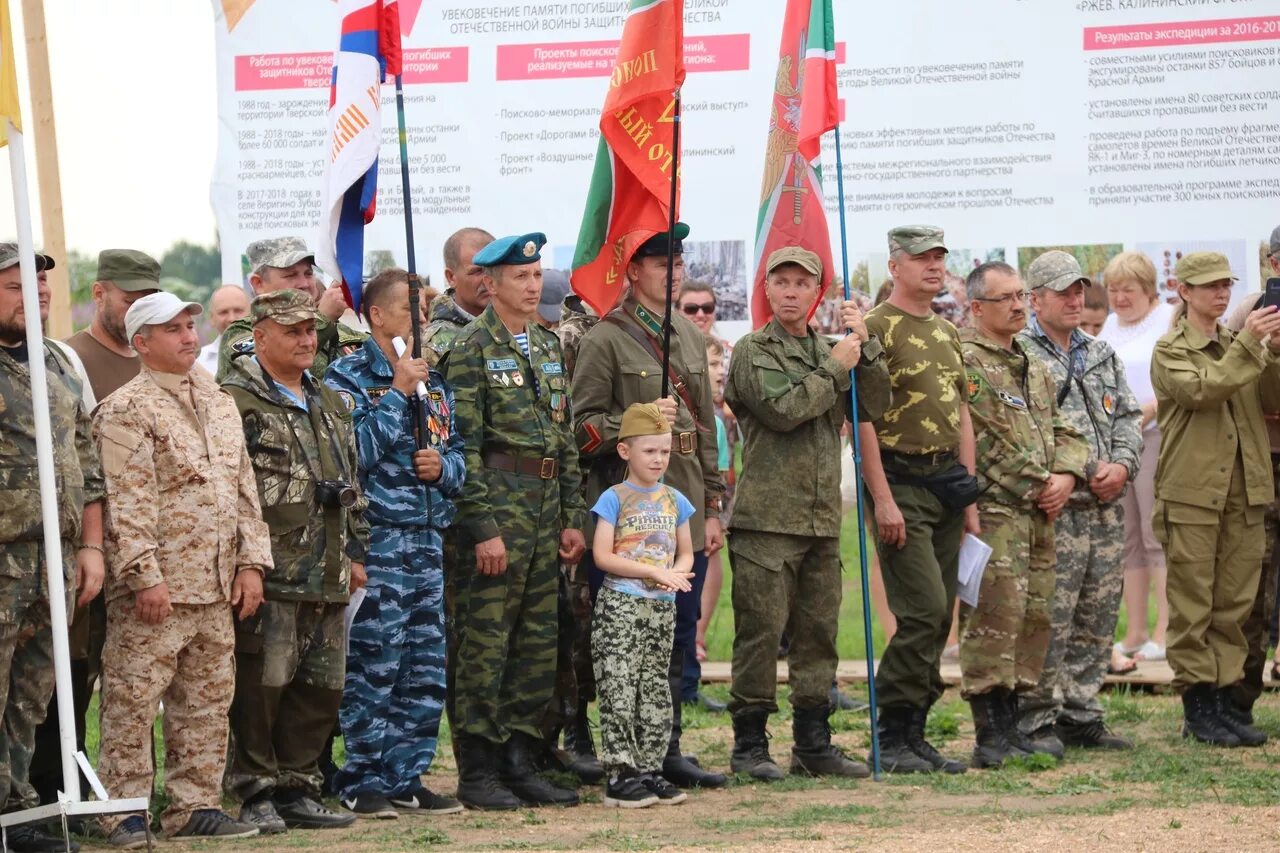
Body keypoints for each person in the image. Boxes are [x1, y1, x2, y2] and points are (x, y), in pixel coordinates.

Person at [93, 292, 270, 846]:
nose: (190, 336)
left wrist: (251, 563)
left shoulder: (216, 400)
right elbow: (125, 500)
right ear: (142, 343)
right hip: (160, 588)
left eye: (191, 325)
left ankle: (193, 806)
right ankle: (121, 810)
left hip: (216, 585)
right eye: (173, 329)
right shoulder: (127, 408)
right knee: (132, 701)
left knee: (206, 703)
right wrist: (144, 575)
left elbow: (244, 490)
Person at [571, 224, 729, 789]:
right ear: (633, 271)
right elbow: (582, 430)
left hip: (681, 502)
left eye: (679, 262)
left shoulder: (688, 334)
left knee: (678, 631)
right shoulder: (606, 338)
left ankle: (667, 747)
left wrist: (711, 504)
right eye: (662, 263)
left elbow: (706, 427)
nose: (675, 270)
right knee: (627, 639)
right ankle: (622, 753)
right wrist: (638, 421)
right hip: (630, 509)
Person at [723, 247, 890, 781]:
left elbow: (877, 404)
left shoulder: (831, 348)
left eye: (802, 283)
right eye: (783, 283)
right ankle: (750, 745)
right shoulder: (753, 350)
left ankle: (813, 742)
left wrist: (868, 344)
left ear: (817, 292)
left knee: (818, 636)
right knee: (760, 636)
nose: (792, 292)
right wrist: (836, 366)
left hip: (820, 520)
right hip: (768, 521)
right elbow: (784, 410)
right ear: (767, 291)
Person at [443, 233, 586, 809]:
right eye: (519, 277)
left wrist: (572, 516)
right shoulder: (470, 348)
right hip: (497, 515)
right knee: (485, 644)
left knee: (536, 644)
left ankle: (520, 759)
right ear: (490, 283)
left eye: (536, 277)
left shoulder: (548, 348)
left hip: (544, 513)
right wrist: (482, 528)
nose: (531, 286)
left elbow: (565, 438)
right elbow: (463, 448)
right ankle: (478, 769)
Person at [220, 289, 368, 832]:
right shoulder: (236, 400)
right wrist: (244, 561)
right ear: (260, 337)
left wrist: (356, 550)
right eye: (292, 331)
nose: (307, 339)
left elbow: (353, 482)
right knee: (262, 686)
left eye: (310, 329)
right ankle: (255, 789)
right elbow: (228, 492)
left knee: (320, 688)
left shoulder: (327, 399)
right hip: (273, 570)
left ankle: (298, 786)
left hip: (328, 566)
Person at [324, 268, 465, 817]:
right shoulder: (347, 378)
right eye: (410, 312)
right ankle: (361, 776)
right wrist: (396, 394)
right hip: (377, 541)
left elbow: (456, 456)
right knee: (374, 661)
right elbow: (346, 455)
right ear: (376, 317)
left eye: (425, 312)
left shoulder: (437, 381)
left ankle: (406, 774)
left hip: (427, 543)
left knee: (423, 664)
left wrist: (443, 469)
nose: (421, 321)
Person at [36, 249, 160, 821]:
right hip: (83, 547)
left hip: (146, 555)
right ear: (100, 293)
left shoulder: (162, 357)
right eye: (128, 295)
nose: (137, 305)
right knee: (70, 674)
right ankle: (54, 790)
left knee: (134, 685)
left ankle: (115, 793)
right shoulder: (70, 359)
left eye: (146, 296)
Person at [960, 261, 1089, 768]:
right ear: (976, 308)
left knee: (1032, 617)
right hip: (996, 512)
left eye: (1020, 296)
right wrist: (1043, 485)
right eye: (1006, 298)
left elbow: (1067, 431)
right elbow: (983, 439)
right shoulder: (966, 361)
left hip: (1038, 513)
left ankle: (1014, 727)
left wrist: (1066, 477)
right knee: (994, 619)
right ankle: (989, 734)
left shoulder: (1033, 362)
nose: (1018, 305)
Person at [1150, 252, 1280, 747]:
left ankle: (1225, 703)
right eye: (1208, 286)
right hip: (1193, 497)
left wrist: (1274, 349)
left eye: (1225, 285)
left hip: (1243, 493)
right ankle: (1197, 706)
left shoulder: (1238, 343)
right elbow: (1204, 390)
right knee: (1193, 605)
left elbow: (1269, 399)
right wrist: (1251, 343)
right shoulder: (1171, 349)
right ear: (1183, 291)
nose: (1220, 294)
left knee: (1235, 605)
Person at [859, 226, 976, 775]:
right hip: (900, 483)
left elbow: (963, 411)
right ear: (894, 266)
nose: (933, 266)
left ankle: (916, 733)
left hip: (946, 485)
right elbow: (861, 419)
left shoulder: (949, 331)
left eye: (939, 258)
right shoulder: (876, 328)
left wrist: (969, 492)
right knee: (924, 609)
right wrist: (882, 499)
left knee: (940, 614)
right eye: (921, 258)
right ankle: (890, 731)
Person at [1016, 251, 1142, 753]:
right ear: (1035, 299)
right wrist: (1089, 470)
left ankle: (1081, 712)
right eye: (1063, 292)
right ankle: (1037, 716)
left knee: (1097, 612)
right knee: (1051, 616)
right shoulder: (1020, 355)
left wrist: (1124, 466)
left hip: (1106, 508)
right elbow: (1029, 430)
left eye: (1079, 291)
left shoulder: (1100, 353)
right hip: (1057, 509)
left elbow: (1128, 416)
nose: (1075, 300)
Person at [0, 246, 104, 853]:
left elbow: (86, 461)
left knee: (34, 691)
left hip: (55, 559)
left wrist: (91, 545)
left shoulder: (55, 363)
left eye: (39, 285)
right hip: (5, 554)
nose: (34, 295)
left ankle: (17, 809)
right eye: (17, 286)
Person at [590, 403, 696, 808]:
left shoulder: (675, 500)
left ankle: (650, 769)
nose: (658, 459)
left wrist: (676, 573)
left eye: (664, 452)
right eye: (649, 451)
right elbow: (603, 555)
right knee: (619, 686)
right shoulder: (614, 498)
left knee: (654, 688)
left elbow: (685, 553)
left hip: (661, 607)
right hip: (622, 606)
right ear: (625, 452)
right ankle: (620, 774)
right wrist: (650, 572)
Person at [1099, 251, 1177, 668]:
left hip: (1154, 438)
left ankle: (1166, 631)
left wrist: (1148, 410)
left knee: (1155, 534)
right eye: (1112, 289)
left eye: (1127, 289)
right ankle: (1134, 632)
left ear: (1149, 289)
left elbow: (1181, 379)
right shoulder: (1109, 324)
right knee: (1126, 538)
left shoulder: (1168, 320)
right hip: (1115, 445)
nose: (1119, 297)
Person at [1222, 226, 1280, 720]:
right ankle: (1239, 701)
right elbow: (1230, 383)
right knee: (1254, 586)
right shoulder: (1250, 312)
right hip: (1263, 465)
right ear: (1273, 264)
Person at [217, 237, 365, 381]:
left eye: (308, 274)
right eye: (290, 275)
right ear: (258, 284)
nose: (304, 284)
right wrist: (323, 318)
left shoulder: (341, 331)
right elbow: (261, 373)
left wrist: (375, 309)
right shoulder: (241, 332)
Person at [422, 227, 495, 363]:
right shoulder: (438, 344)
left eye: (493, 269)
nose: (488, 279)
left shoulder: (515, 325)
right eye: (477, 272)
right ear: (451, 277)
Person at [197, 285, 251, 374]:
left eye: (238, 310)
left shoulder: (270, 354)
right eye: (223, 312)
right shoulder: (198, 363)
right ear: (211, 318)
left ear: (252, 313)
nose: (232, 318)